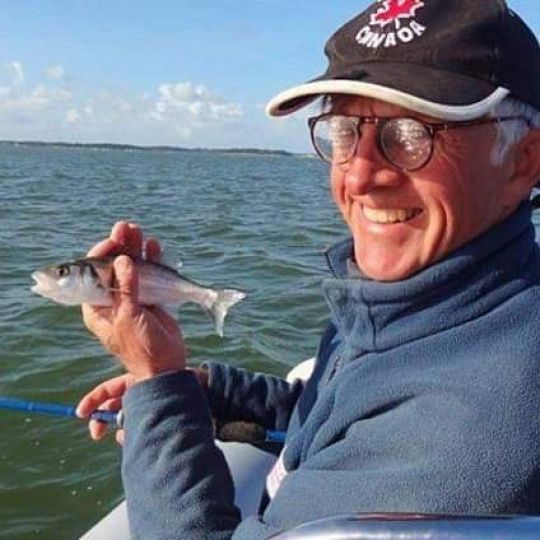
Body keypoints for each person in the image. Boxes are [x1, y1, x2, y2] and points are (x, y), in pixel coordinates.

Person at [76, 0, 540, 538]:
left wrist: (154, 379)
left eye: (413, 133)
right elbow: (342, 415)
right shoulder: (428, 300)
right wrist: (200, 389)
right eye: (345, 131)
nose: (361, 175)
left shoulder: (474, 435)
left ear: (523, 161)